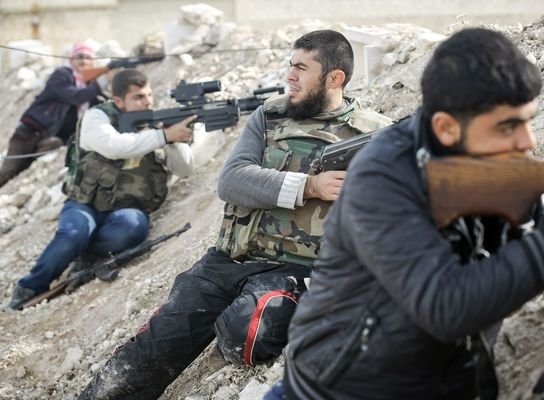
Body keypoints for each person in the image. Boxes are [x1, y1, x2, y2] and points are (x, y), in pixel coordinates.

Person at [266, 28, 544, 400]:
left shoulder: (491, 166)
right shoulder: (382, 178)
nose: (528, 141)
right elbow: (445, 307)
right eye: (508, 127)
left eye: (528, 121)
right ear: (446, 127)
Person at [78, 29, 392, 399]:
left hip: (297, 269)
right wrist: (311, 186)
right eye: (291, 65)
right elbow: (232, 181)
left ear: (335, 78)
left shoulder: (375, 135)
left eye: (302, 68)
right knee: (147, 352)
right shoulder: (270, 116)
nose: (290, 75)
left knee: (247, 331)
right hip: (228, 260)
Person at [8, 68, 195, 310]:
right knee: (73, 234)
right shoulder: (96, 117)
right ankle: (29, 287)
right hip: (86, 202)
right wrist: (163, 136)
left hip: (126, 208)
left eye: (149, 95)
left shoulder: (156, 124)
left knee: (133, 227)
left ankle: (87, 259)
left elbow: (184, 169)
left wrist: (175, 140)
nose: (147, 102)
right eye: (138, 97)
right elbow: (113, 146)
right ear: (118, 100)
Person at [0, 42, 107, 188]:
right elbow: (76, 97)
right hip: (29, 133)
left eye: (88, 58)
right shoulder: (62, 75)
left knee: (26, 171)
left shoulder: (89, 86)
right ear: (71, 59)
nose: (84, 61)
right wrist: (103, 82)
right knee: (8, 171)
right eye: (80, 56)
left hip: (48, 138)